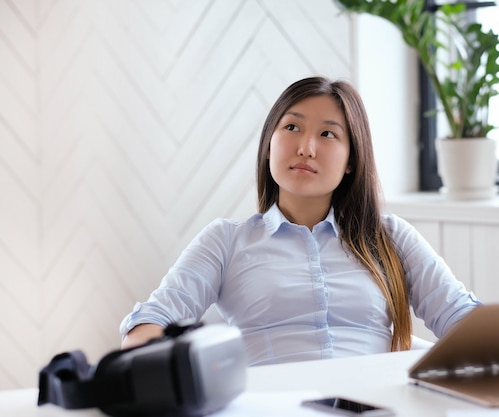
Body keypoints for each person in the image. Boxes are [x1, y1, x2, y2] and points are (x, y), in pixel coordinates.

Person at [119, 76, 480, 365]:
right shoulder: (225, 241)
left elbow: (460, 317)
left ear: (352, 159)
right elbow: (154, 317)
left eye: (327, 134)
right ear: (269, 145)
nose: (306, 147)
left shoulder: (390, 237)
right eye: (292, 128)